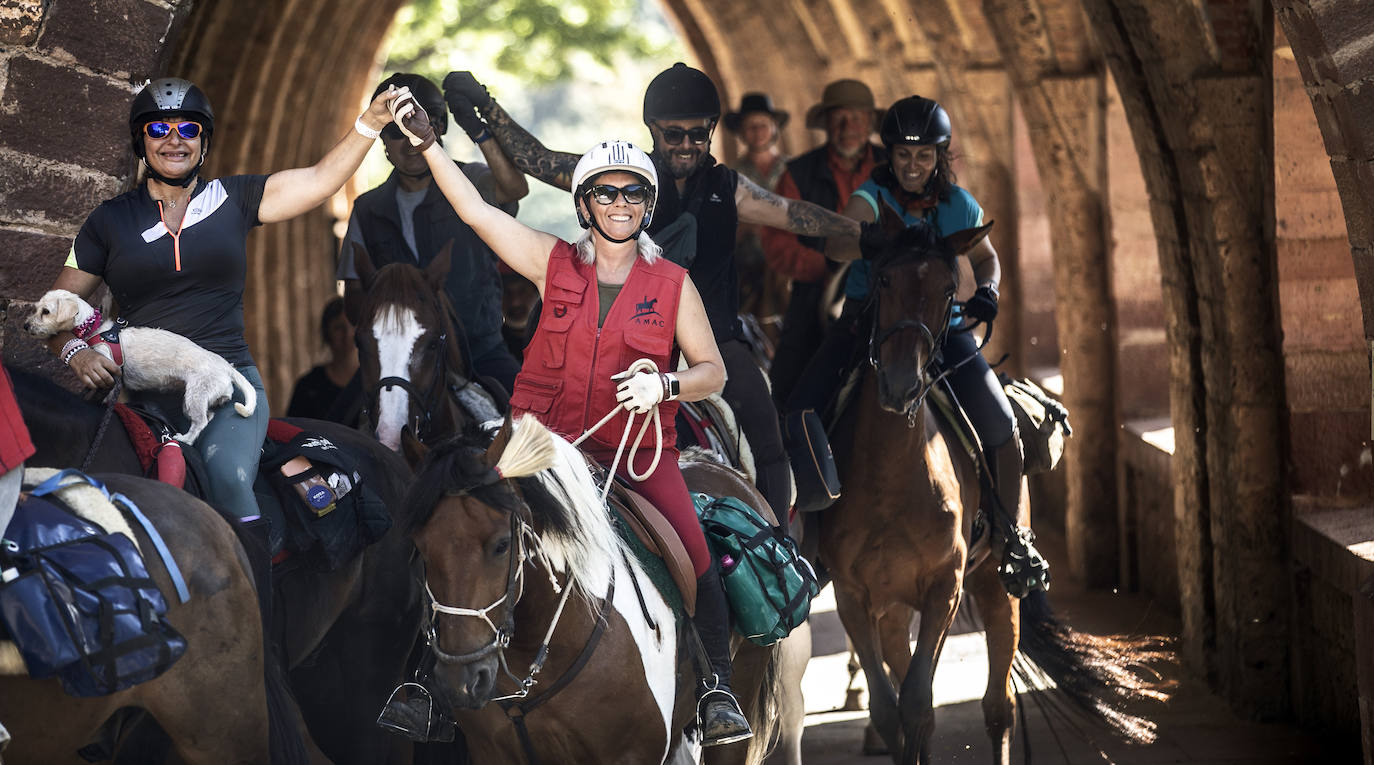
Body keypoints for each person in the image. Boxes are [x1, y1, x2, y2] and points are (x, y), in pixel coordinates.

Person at [391, 87, 751, 744]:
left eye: (633, 194)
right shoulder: (550, 261)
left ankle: (718, 687)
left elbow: (714, 372)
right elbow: (473, 210)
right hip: (536, 447)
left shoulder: (672, 283)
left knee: (694, 553)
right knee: (455, 525)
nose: (620, 204)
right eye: (607, 194)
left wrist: (666, 384)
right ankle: (423, 680)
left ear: (647, 205)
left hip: (634, 452)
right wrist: (427, 145)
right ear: (584, 205)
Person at [442, 64, 861, 524]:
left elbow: (796, 214)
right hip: (632, 342)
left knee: (769, 440)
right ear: (652, 131)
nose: (685, 145)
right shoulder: (626, 182)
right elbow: (538, 158)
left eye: (697, 135)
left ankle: (777, 546)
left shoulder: (730, 188)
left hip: (715, 339)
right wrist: (485, 106)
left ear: (712, 132)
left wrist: (866, 233)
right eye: (672, 134)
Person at [45, 77, 405, 522]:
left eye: (188, 129)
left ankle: (254, 590)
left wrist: (370, 121)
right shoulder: (108, 222)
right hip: (141, 397)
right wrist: (75, 351)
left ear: (205, 141)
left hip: (227, 388)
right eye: (158, 130)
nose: (174, 140)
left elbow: (319, 179)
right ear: (141, 142)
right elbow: (53, 311)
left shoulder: (234, 199)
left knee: (228, 478)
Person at [798, 95, 1028, 567]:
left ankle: (1011, 539)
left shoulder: (958, 204)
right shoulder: (869, 197)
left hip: (942, 328)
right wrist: (864, 237)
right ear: (890, 154)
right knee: (802, 407)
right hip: (869, 323)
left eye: (924, 156)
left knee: (1002, 423)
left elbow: (987, 258)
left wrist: (988, 289)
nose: (912, 165)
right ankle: (808, 540)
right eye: (903, 154)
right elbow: (840, 247)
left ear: (940, 156)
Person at [337, 73, 529, 394]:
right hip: (396, 365)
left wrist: (478, 129)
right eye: (398, 131)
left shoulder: (473, 180)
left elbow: (515, 188)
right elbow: (353, 303)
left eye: (420, 124)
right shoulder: (367, 209)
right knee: (334, 429)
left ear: (439, 127)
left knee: (533, 421)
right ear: (382, 140)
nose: (410, 140)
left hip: (480, 353)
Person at [762, 79, 885, 407]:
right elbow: (778, 243)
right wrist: (826, 267)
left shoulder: (894, 167)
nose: (848, 128)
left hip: (887, 285)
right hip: (817, 287)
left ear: (871, 123)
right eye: (839, 119)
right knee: (786, 382)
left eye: (857, 118)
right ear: (827, 124)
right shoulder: (799, 173)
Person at [722, 92, 789, 324]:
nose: (758, 131)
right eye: (751, 127)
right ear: (741, 132)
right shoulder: (731, 175)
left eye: (763, 125)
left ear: (774, 128)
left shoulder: (793, 169)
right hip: (748, 264)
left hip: (788, 260)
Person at [285, 297, 356, 421]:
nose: (347, 334)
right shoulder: (309, 385)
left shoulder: (372, 382)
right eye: (339, 327)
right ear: (326, 332)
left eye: (353, 325)